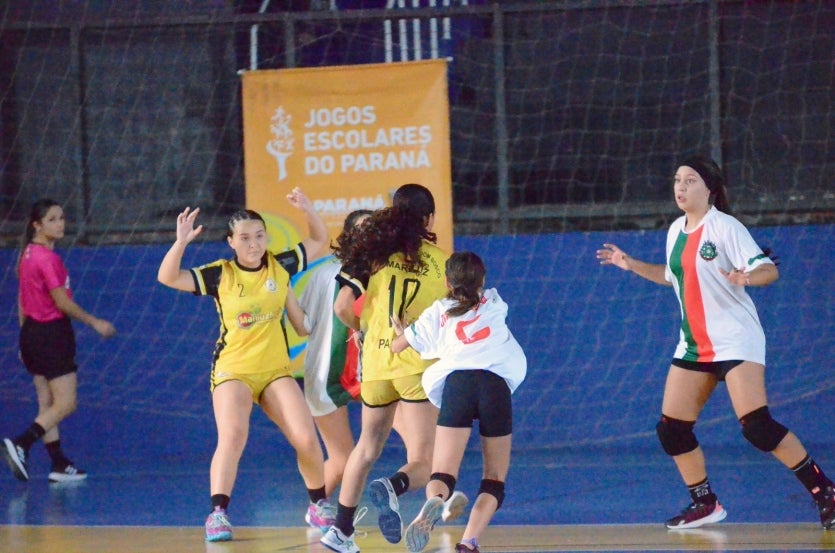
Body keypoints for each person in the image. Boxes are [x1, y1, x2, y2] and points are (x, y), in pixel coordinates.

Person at [596, 155, 835, 530]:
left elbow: (767, 270)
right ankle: (705, 503)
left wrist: (746, 278)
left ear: (709, 189)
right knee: (671, 430)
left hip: (736, 341)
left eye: (690, 180)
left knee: (757, 427)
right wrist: (631, 264)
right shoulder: (675, 230)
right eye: (677, 180)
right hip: (693, 345)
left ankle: (826, 493)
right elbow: (671, 276)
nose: (681, 187)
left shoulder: (725, 227)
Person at [156, 188, 336, 542]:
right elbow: (168, 277)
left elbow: (319, 240)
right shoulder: (220, 274)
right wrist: (180, 243)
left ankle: (318, 504)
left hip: (275, 371)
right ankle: (218, 515)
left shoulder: (280, 265)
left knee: (305, 437)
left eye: (259, 236)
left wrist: (308, 209)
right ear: (231, 242)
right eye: (244, 238)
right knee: (234, 435)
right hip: (233, 371)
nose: (253, 244)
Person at [320, 183, 450, 553]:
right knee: (423, 458)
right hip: (416, 365)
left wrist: (362, 330)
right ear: (429, 219)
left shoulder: (373, 254)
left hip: (376, 365)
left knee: (365, 448)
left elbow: (342, 306)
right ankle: (393, 486)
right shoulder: (443, 262)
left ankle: (340, 532)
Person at [391, 251, 527, 553]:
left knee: (442, 473)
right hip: (495, 386)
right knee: (494, 479)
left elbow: (398, 347)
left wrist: (403, 333)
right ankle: (468, 542)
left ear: (447, 282)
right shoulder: (495, 302)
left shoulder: (439, 311)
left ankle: (436, 500)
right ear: (483, 280)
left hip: (458, 386)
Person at [2, 199, 117, 484]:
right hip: (52, 335)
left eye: (62, 218)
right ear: (37, 225)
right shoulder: (47, 259)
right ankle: (21, 443)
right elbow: (62, 303)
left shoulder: (27, 255)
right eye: (52, 219)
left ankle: (58, 463)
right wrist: (95, 322)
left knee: (48, 403)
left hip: (32, 334)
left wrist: (24, 338)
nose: (60, 224)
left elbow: (22, 300)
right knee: (66, 403)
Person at [298, 209, 373, 497]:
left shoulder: (386, 273)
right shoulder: (325, 274)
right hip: (327, 373)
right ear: (348, 236)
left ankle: (430, 487)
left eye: (374, 230)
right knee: (343, 461)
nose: (370, 236)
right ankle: (317, 508)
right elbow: (303, 324)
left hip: (372, 372)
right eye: (363, 230)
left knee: (421, 439)